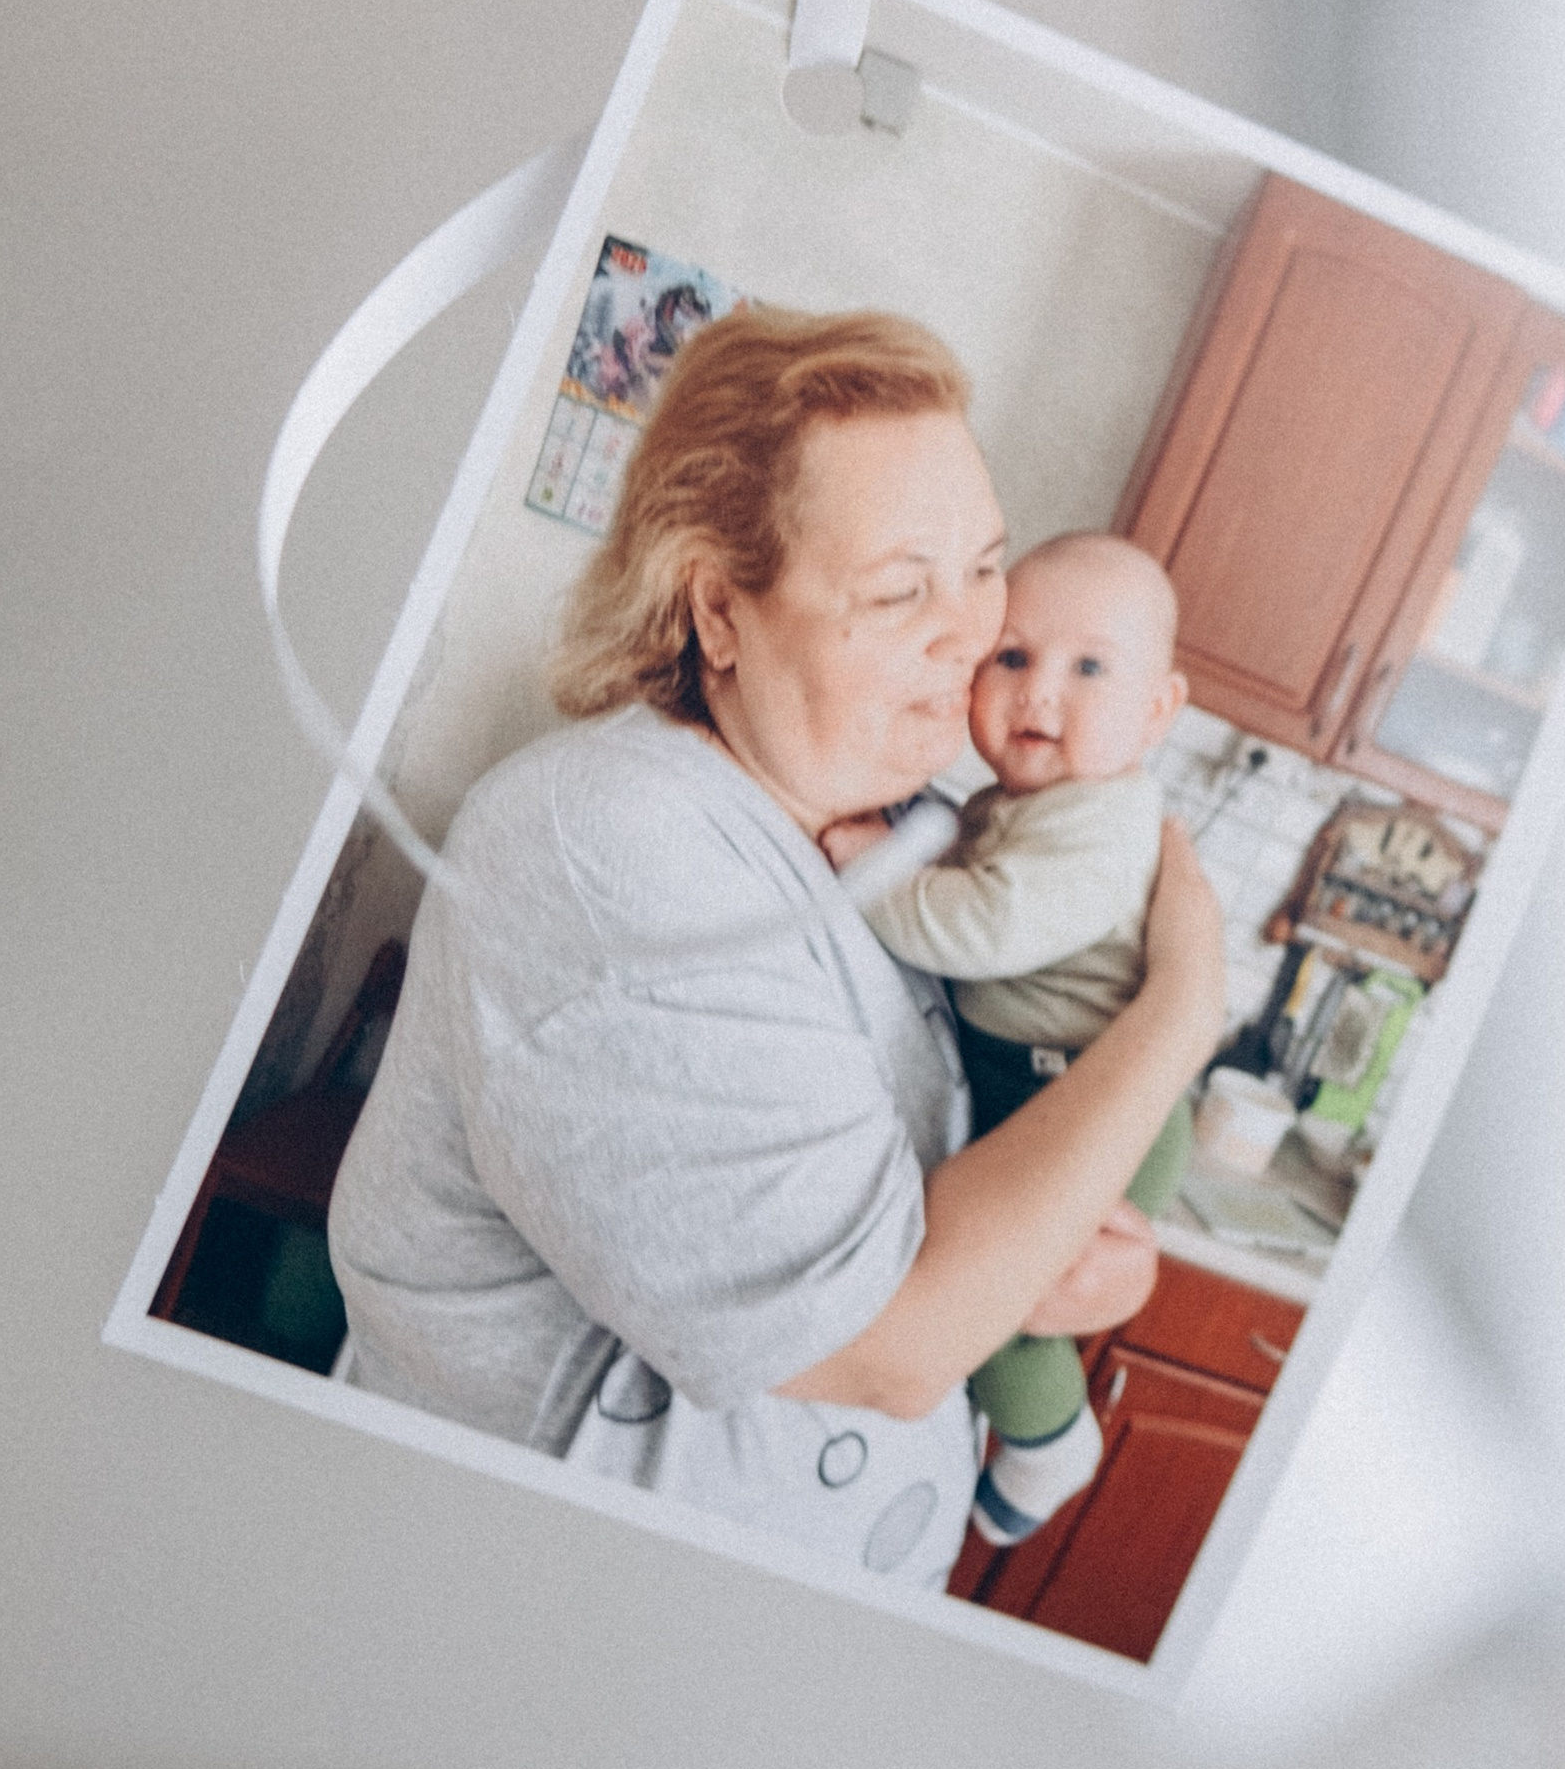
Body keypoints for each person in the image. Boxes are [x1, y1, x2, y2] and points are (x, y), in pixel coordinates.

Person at [327, 305, 1225, 1591]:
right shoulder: (609, 847)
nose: (973, 632)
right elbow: (887, 1343)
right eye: (900, 589)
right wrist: (1182, 1012)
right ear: (720, 610)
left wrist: (1055, 1265)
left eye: (983, 567)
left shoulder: (913, 822)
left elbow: (964, 1198)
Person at [843, 535, 1193, 1544]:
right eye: (1013, 656)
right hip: (1036, 1083)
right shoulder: (1022, 804)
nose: (1039, 690)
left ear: (1157, 711)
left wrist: (875, 872)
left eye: (1089, 667)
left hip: (1089, 1097)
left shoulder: (1101, 822)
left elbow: (987, 928)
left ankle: (1049, 1443)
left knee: (1000, 1302)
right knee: (992, 1280)